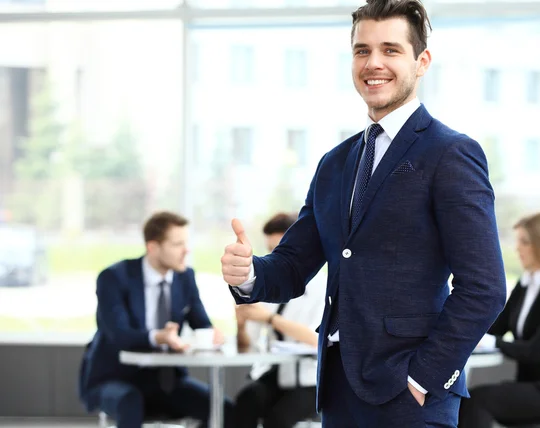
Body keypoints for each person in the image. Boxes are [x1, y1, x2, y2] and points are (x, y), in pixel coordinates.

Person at [221, 0, 507, 426]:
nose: (373, 63)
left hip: (411, 396)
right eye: (362, 50)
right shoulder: (335, 163)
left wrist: (424, 377)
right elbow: (294, 264)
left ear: (421, 60)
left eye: (390, 50)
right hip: (339, 388)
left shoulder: (451, 153)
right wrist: (248, 274)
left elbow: (484, 288)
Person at [78, 211, 234, 428]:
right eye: (177, 244)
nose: (186, 251)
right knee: (130, 402)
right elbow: (118, 335)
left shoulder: (185, 277)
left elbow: (201, 324)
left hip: (167, 381)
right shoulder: (114, 278)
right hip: (117, 378)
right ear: (153, 247)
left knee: (225, 410)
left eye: (186, 243)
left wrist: (212, 334)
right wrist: (159, 337)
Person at [458, 212, 540, 427]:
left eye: (524, 242)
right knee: (467, 399)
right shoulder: (525, 286)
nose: (517, 248)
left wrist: (494, 343)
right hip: (534, 386)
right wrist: (464, 328)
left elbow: (537, 350)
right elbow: (496, 327)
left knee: (478, 401)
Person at [234, 212, 326, 428]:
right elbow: (248, 344)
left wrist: (270, 319)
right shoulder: (272, 287)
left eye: (279, 250)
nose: (274, 257)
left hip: (311, 381)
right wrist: (241, 323)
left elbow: (316, 339)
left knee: (277, 419)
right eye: (270, 251)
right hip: (279, 375)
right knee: (247, 400)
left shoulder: (323, 287)